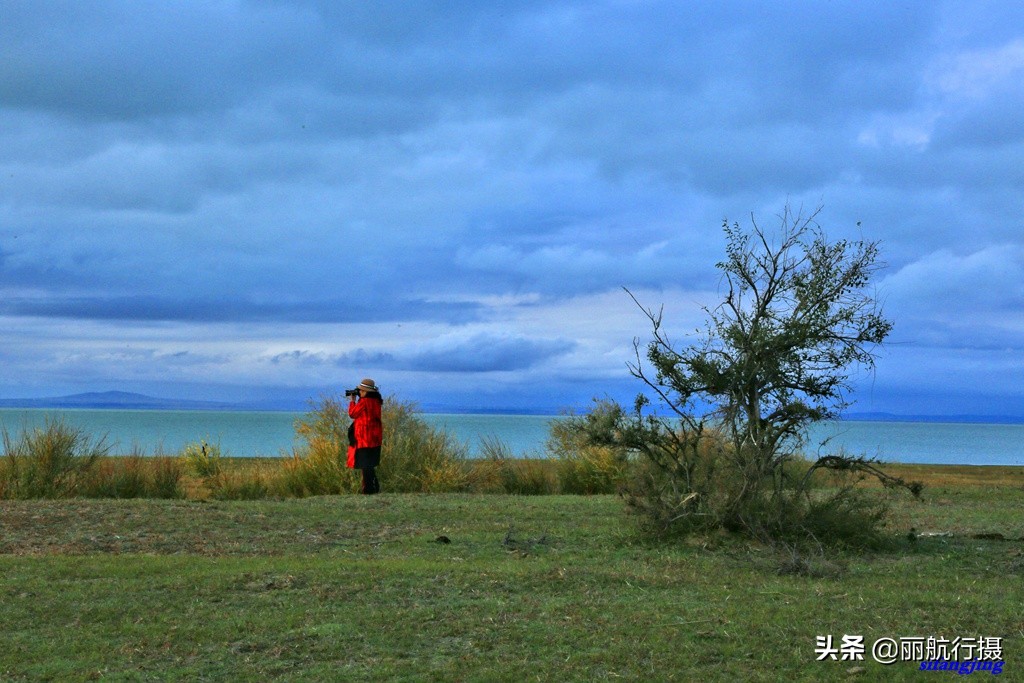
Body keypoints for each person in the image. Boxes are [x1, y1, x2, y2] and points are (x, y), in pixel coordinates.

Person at [347, 378, 383, 494]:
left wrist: (352, 401)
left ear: (367, 392)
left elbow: (352, 414)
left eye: (362, 391)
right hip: (375, 439)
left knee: (365, 466)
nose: (360, 393)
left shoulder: (364, 402)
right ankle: (374, 488)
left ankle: (368, 490)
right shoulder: (377, 402)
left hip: (364, 439)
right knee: (370, 465)